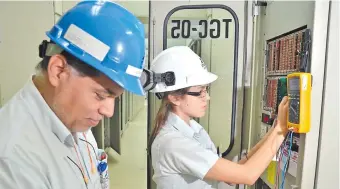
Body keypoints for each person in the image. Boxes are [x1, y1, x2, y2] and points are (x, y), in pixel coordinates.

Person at [0, 1, 145, 189]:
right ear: (58, 70)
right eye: (100, 95)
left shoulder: (72, 118)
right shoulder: (14, 160)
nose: (109, 112)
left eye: (115, 98)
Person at [148, 46, 289, 188]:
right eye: (199, 92)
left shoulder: (194, 128)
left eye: (206, 90)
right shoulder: (173, 143)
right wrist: (281, 129)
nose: (207, 97)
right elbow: (247, 175)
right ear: (174, 98)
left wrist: (274, 130)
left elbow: (232, 177)